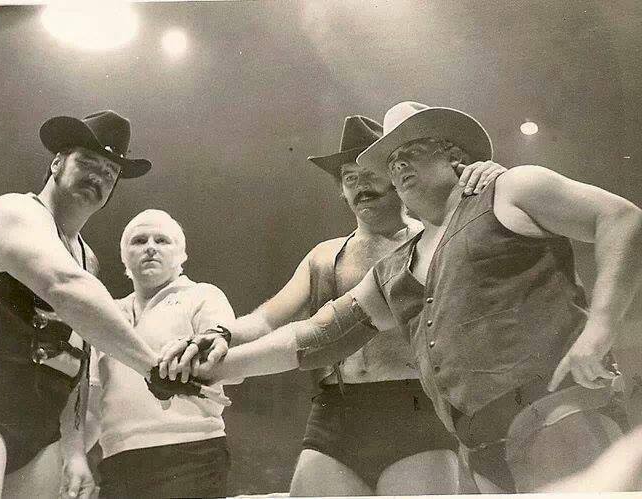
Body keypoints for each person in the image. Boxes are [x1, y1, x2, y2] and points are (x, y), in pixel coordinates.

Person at [173, 101, 642, 493]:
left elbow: (621, 218)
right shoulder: (393, 271)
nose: (396, 167)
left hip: (554, 411)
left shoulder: (509, 189)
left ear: (453, 155)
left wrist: (601, 327)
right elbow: (318, 334)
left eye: (411, 151)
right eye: (389, 162)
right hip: (479, 445)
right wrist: (216, 367)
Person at [162, 115, 505, 495]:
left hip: (416, 408)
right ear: (342, 191)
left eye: (367, 172)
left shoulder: (434, 241)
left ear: (395, 173)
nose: (360, 185)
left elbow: (485, 221)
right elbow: (265, 319)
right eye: (349, 177)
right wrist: (219, 333)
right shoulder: (324, 257)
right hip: (337, 413)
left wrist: (488, 178)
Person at [0, 111, 170, 498]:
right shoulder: (13, 211)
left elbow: (79, 360)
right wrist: (153, 367)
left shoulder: (88, 258)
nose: (99, 177)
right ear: (56, 162)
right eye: (87, 163)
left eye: (110, 172)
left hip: (42, 426)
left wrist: (74, 452)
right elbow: (64, 286)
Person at [60, 209, 235, 499]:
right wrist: (74, 457)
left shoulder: (204, 296)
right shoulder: (107, 315)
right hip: (118, 461)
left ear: (182, 255)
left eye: (162, 240)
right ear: (124, 257)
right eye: (139, 240)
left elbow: (224, 355)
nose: (150, 247)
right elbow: (89, 400)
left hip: (191, 453)